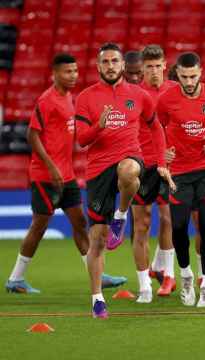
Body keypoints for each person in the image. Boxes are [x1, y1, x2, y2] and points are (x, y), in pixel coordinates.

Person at [5, 53, 126, 294]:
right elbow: (32, 135)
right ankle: (16, 279)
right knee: (39, 226)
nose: (73, 76)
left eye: (75, 71)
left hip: (67, 175)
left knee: (80, 223)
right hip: (45, 176)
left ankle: (98, 275)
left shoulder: (71, 97)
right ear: (54, 74)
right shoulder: (47, 100)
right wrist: (50, 166)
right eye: (67, 72)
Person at [75, 43, 174, 318]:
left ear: (123, 65)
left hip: (129, 157)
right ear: (98, 67)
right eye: (105, 61)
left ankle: (121, 214)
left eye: (114, 61)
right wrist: (99, 126)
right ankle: (97, 299)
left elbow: (156, 128)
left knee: (130, 171)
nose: (110, 65)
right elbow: (81, 140)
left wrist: (163, 164)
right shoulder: (86, 97)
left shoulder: (139, 96)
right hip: (97, 170)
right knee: (97, 239)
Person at [157, 52, 205, 307]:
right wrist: (164, 150)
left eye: (193, 76)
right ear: (176, 74)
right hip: (179, 170)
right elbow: (156, 128)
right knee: (178, 227)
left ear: (201, 72)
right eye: (184, 76)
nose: (189, 81)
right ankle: (186, 276)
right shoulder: (166, 100)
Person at [129, 44, 178, 303]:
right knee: (143, 224)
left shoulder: (175, 90)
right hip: (142, 164)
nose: (154, 71)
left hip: (169, 164)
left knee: (169, 217)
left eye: (158, 66)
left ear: (165, 66)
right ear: (142, 69)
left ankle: (168, 274)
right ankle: (145, 281)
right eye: (149, 67)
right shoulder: (135, 95)